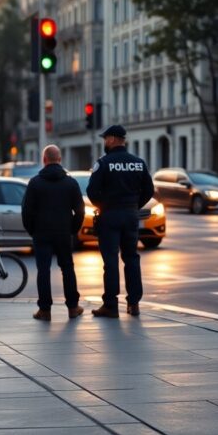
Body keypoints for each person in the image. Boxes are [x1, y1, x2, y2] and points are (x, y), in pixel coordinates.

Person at [86, 125, 154, 318]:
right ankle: (134, 303)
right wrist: (134, 205)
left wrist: (104, 205)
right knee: (131, 258)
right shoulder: (138, 163)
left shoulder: (103, 163)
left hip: (110, 216)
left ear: (112, 139)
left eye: (105, 139)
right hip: (131, 216)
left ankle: (110, 305)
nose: (104, 142)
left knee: (110, 260)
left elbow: (92, 192)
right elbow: (149, 190)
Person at [22, 145, 85, 321]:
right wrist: (72, 229)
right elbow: (80, 211)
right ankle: (73, 307)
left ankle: (45, 310)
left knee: (43, 270)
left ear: (44, 160)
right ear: (60, 159)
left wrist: (32, 230)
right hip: (63, 232)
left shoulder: (35, 183)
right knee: (67, 268)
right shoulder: (70, 182)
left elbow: (26, 211)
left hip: (41, 233)